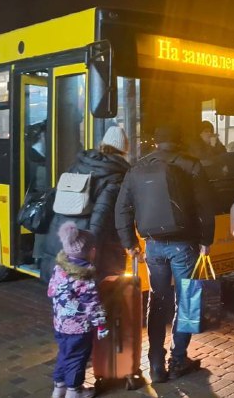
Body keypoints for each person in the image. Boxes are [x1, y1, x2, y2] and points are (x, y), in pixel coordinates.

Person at [115, 126, 213, 383]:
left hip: (153, 245)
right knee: (188, 299)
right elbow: (205, 205)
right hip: (185, 244)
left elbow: (122, 208)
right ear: (178, 141)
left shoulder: (138, 168)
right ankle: (179, 359)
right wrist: (206, 240)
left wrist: (129, 243)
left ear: (156, 142)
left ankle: (156, 364)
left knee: (157, 301)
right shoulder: (191, 165)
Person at [42, 126, 131, 281]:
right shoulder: (115, 175)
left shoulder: (79, 165)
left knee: (64, 286)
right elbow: (101, 217)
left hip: (63, 234)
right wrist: (91, 251)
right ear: (124, 150)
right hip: (83, 242)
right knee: (86, 289)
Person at [48, 222, 107, 398]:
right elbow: (93, 305)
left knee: (65, 353)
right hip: (79, 329)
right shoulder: (85, 277)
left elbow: (51, 291)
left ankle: (59, 388)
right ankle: (74, 391)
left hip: (60, 324)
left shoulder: (59, 269)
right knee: (77, 358)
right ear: (92, 252)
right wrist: (101, 325)